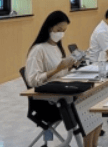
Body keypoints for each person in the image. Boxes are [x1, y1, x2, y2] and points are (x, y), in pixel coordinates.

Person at [25, 10, 101, 147]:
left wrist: (70, 67)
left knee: (95, 106)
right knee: (88, 110)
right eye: (59, 30)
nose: (61, 34)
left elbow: (60, 73)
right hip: (49, 101)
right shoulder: (38, 50)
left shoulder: (56, 47)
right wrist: (58, 69)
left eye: (64, 31)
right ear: (50, 27)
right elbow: (33, 80)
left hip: (62, 93)